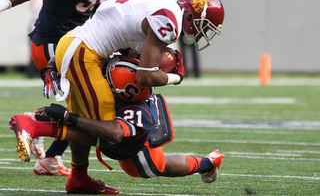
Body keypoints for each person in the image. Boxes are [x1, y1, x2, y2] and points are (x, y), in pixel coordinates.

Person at [37, 0, 223, 193]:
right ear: (192, 14)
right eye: (203, 26)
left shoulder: (167, 3)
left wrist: (54, 62)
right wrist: (176, 76)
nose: (202, 32)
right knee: (108, 133)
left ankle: (78, 179)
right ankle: (37, 126)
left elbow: (100, 27)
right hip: (85, 56)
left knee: (145, 162)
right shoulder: (169, 20)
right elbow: (145, 76)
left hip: (78, 48)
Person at [10, 57, 224, 194]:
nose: (105, 81)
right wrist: (50, 70)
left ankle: (208, 163)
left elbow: (114, 133)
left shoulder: (139, 112)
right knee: (82, 108)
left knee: (157, 167)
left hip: (129, 145)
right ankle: (73, 173)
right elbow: (67, 55)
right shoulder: (124, 53)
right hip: (113, 122)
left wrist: (67, 117)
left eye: (110, 81)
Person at [0, 0, 115, 176]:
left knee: (88, 107)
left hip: (74, 43)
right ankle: (37, 121)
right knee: (88, 109)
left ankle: (51, 158)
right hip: (52, 45)